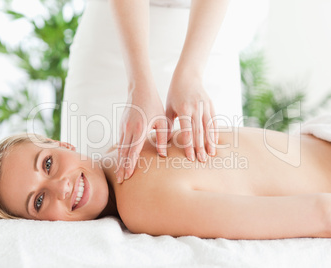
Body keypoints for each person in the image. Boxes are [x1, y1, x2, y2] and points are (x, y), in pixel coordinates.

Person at [0, 110, 331, 240]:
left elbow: (325, 215)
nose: (59, 187)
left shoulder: (141, 201)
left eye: (47, 164)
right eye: (38, 202)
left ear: (62, 145)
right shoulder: (128, 145)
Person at [61, 0, 243, 184]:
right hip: (116, 32)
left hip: (205, 30)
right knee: (89, 174)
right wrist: (138, 85)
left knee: (215, 175)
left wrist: (191, 75)